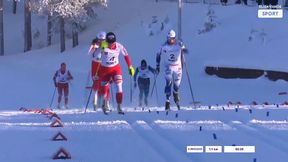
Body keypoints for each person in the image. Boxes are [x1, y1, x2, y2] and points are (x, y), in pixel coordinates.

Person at [99, 32, 135, 114]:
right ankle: (106, 104)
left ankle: (119, 106)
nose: (110, 45)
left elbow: (126, 55)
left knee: (119, 86)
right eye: (109, 43)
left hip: (115, 69)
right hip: (104, 69)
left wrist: (130, 66)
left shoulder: (119, 46)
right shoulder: (103, 45)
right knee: (104, 89)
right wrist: (101, 49)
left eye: (112, 43)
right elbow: (97, 52)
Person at [155, 29, 186, 111]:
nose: (170, 40)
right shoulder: (163, 46)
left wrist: (184, 58)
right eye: (168, 38)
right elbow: (158, 55)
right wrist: (157, 66)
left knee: (176, 85)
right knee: (168, 83)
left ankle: (175, 95)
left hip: (178, 67)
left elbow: (184, 51)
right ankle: (167, 101)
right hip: (168, 66)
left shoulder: (179, 44)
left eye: (172, 38)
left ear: (174, 38)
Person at [88, 31, 110, 110]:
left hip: (104, 65)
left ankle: (106, 103)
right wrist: (93, 45)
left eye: (103, 40)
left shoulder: (106, 45)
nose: (101, 41)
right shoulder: (95, 45)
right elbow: (89, 52)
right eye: (99, 39)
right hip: (95, 64)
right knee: (96, 83)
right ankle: (95, 102)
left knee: (105, 84)